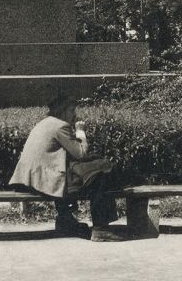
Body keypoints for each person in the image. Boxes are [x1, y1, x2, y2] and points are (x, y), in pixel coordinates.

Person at [9, 95, 125, 242]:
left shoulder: (44, 123)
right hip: (42, 180)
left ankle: (65, 221)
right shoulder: (60, 126)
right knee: (99, 177)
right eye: (71, 111)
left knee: (74, 175)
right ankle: (100, 229)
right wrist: (80, 131)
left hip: (27, 179)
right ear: (62, 112)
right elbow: (81, 153)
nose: (75, 115)